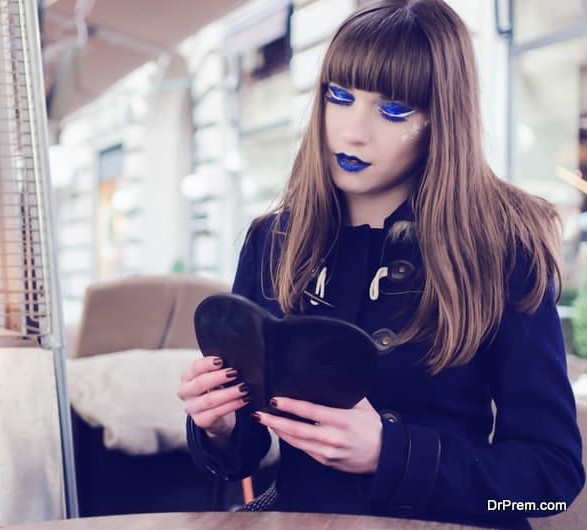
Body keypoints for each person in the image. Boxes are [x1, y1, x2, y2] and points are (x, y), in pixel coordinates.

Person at [176, 0, 585, 528]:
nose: (353, 132)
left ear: (443, 118)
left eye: (393, 111)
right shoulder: (272, 240)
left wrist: (394, 455)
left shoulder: (504, 247)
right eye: (339, 98)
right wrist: (218, 425)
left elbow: (547, 489)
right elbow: (243, 454)